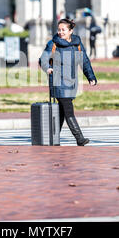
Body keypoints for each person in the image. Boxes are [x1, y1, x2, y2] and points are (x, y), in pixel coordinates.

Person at [40, 18, 98, 146]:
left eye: (63, 30)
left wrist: (90, 77)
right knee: (68, 110)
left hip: (71, 82)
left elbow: (84, 61)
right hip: (58, 81)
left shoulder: (76, 44)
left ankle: (52, 139)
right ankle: (79, 138)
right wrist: (47, 68)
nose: (60, 32)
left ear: (70, 31)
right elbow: (43, 59)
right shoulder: (53, 43)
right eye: (59, 30)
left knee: (61, 112)